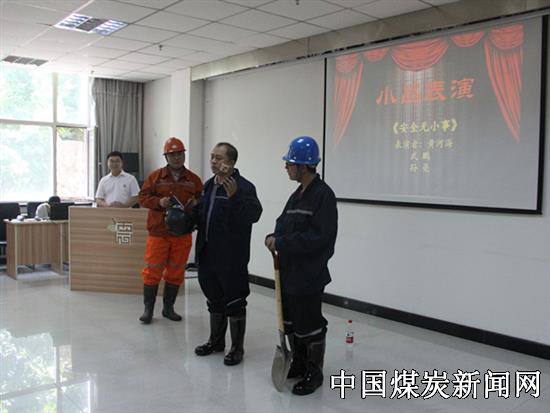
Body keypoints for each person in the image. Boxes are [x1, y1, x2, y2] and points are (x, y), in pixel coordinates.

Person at [265, 136, 338, 396]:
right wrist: (273, 237)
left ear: (303, 166)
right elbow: (282, 223)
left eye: (290, 163)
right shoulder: (297, 195)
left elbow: (319, 238)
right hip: (289, 272)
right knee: (292, 322)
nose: (286, 167)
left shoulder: (323, 196)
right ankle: (298, 362)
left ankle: (314, 373)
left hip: (309, 275)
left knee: (310, 324)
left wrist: (283, 242)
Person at [191, 142, 262, 366]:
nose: (213, 161)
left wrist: (235, 197)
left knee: (235, 301)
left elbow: (253, 215)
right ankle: (216, 341)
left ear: (231, 162)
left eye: (219, 158)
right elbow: (202, 216)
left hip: (232, 257)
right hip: (207, 253)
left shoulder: (244, 187)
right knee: (214, 298)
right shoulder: (208, 186)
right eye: (212, 157)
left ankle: (237, 348)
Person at [137, 137, 203, 324]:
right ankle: (148, 310)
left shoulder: (193, 180)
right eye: (172, 154)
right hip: (159, 233)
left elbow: (202, 200)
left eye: (180, 154)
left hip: (182, 234)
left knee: (176, 272)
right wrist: (159, 202)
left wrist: (196, 203)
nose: (177, 157)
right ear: (166, 157)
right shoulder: (155, 177)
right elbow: (142, 198)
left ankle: (168, 308)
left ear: (184, 155)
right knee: (152, 271)